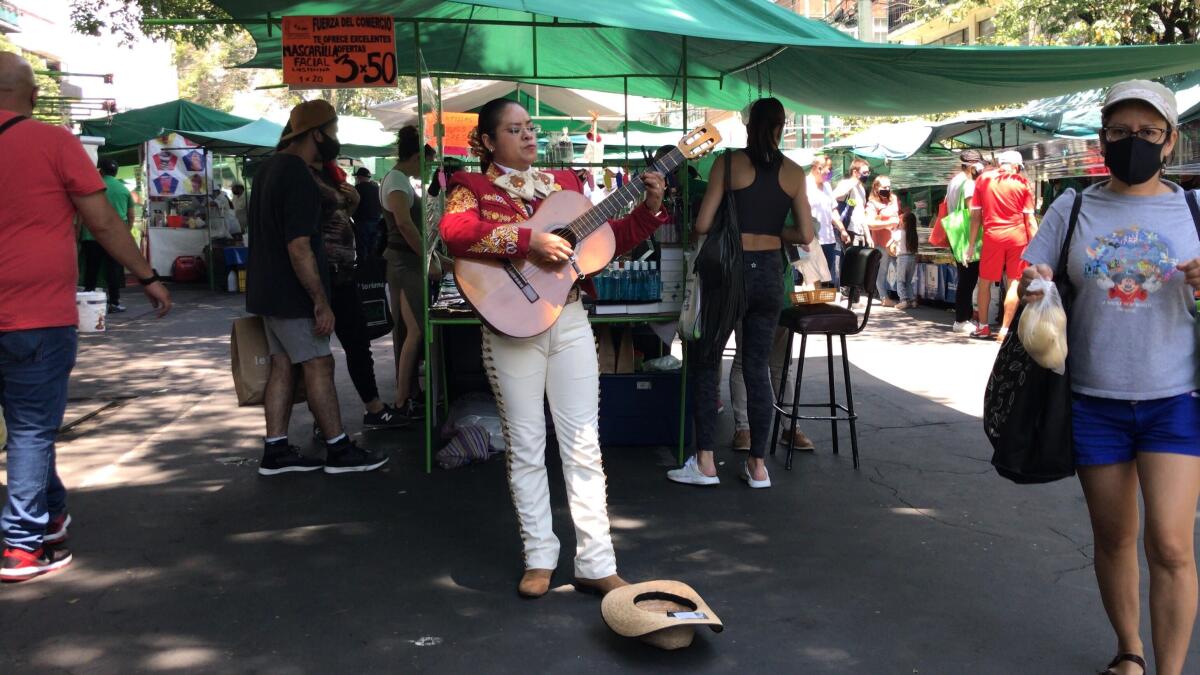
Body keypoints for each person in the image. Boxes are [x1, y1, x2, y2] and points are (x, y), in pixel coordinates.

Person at [439, 98, 667, 598]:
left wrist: (649, 210)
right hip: (509, 328)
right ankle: (539, 556)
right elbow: (454, 233)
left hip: (570, 321)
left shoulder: (565, 184)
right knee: (525, 444)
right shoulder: (469, 187)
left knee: (584, 443)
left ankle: (596, 561)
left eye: (530, 127)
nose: (528, 136)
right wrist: (528, 241)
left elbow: (606, 242)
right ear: (488, 141)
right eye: (514, 129)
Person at [1020, 80, 1200, 675]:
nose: (1134, 143)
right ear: (1102, 139)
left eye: (1148, 132)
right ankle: (1130, 649)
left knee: (1171, 544)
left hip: (1176, 396)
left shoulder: (1194, 210)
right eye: (1120, 132)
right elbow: (1031, 280)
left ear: (1169, 141)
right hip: (1093, 397)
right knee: (1115, 536)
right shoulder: (1071, 207)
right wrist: (1036, 284)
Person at [0, 52, 172, 583]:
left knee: (33, 425)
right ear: (32, 95)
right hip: (36, 313)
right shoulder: (54, 142)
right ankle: (21, 545)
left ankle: (49, 520)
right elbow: (103, 223)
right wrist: (146, 276)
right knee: (30, 428)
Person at [668, 97, 815, 490]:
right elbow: (805, 234)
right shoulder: (795, 173)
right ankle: (758, 467)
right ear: (782, 127)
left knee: (706, 361)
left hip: (729, 273)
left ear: (750, 127)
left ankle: (704, 462)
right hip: (770, 273)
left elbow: (701, 225)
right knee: (757, 369)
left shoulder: (728, 163)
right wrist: (771, 233)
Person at [245, 99, 387, 477]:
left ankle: (276, 449)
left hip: (267, 290)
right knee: (319, 363)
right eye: (334, 131)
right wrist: (321, 302)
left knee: (282, 365)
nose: (335, 139)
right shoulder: (296, 174)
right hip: (293, 293)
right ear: (316, 133)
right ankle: (338, 448)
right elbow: (298, 245)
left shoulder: (268, 169)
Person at [313, 158, 407, 432]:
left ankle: (374, 407)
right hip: (322, 275)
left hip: (344, 273)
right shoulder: (304, 177)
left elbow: (343, 218)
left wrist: (352, 204)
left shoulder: (331, 176)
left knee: (357, 343)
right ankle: (324, 422)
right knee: (319, 356)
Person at [381, 127, 432, 420]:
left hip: (405, 261)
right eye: (423, 163)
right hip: (405, 263)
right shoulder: (398, 181)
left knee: (407, 330)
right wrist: (427, 256)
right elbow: (404, 223)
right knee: (416, 331)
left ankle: (410, 393)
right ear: (415, 157)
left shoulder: (398, 179)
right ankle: (402, 400)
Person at [968, 149, 1037, 340]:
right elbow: (1030, 220)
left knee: (985, 282)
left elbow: (975, 217)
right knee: (1014, 282)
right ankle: (1005, 329)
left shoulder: (983, 180)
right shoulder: (1022, 183)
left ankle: (983, 327)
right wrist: (1038, 247)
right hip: (1018, 238)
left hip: (992, 237)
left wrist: (971, 245)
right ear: (1015, 166)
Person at [82, 158, 135, 313]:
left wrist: (77, 232)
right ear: (116, 172)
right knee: (114, 270)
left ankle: (87, 301)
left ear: (101, 171)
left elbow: (81, 213)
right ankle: (114, 302)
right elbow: (131, 216)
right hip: (115, 237)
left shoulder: (92, 187)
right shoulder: (124, 190)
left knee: (91, 269)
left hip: (91, 235)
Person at [944, 149, 986, 333]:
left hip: (956, 232)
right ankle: (962, 319)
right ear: (974, 166)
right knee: (968, 279)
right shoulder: (969, 184)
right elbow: (973, 212)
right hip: (968, 235)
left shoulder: (954, 181)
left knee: (964, 277)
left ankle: (963, 317)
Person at [810, 154, 849, 288]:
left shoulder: (827, 186)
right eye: (829, 169)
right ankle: (813, 306)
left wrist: (842, 230)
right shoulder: (804, 184)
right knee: (813, 277)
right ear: (818, 168)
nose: (831, 172)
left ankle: (817, 305)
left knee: (824, 278)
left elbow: (833, 210)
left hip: (829, 240)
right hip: (811, 240)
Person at [864, 175, 900, 307]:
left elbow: (896, 216)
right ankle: (884, 297)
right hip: (881, 243)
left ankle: (904, 297)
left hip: (895, 242)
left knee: (898, 270)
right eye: (884, 187)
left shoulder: (893, 199)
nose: (887, 189)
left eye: (889, 186)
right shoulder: (872, 204)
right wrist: (888, 222)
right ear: (876, 187)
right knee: (882, 270)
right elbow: (870, 223)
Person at [833, 158, 871, 246]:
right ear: (855, 172)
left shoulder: (862, 189)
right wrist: (853, 182)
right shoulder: (846, 183)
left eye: (868, 172)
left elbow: (862, 214)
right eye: (864, 172)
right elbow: (834, 197)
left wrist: (868, 236)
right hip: (847, 230)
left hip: (859, 232)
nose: (867, 175)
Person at [352, 167, 383, 259]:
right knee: (373, 249)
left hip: (361, 223)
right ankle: (371, 269)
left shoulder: (356, 189)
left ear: (359, 177)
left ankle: (363, 270)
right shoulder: (377, 189)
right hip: (376, 222)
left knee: (362, 250)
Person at [893, 199, 919, 310]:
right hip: (912, 258)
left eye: (902, 221)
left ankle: (903, 300)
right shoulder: (914, 234)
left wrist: (896, 227)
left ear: (905, 223)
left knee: (900, 280)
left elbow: (893, 239)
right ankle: (912, 300)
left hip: (902, 258)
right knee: (908, 281)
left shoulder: (900, 233)